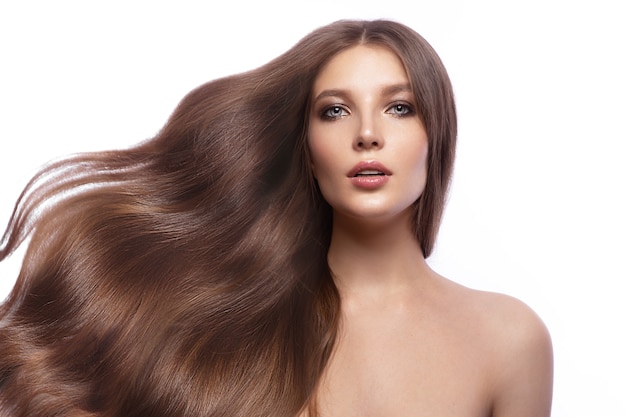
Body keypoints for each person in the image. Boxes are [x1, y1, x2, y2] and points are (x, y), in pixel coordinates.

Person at [0, 19, 553, 417]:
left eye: (399, 107)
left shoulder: (509, 340)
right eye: (334, 111)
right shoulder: (234, 320)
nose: (367, 133)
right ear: (307, 148)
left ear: (437, 137)